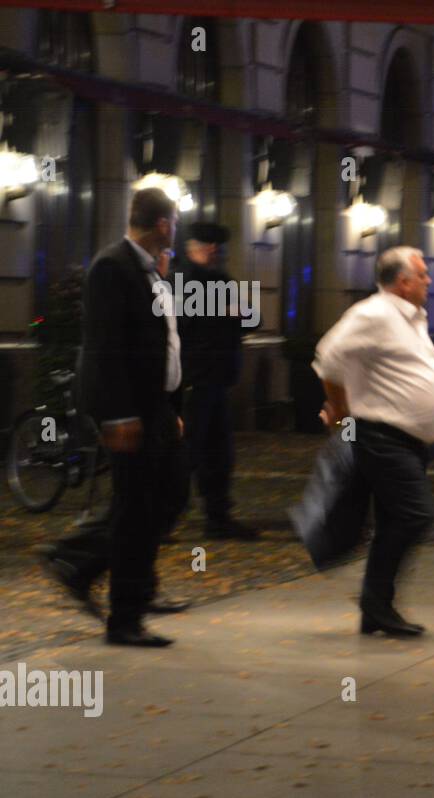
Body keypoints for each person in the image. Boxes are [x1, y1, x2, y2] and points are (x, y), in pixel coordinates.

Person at [39, 188, 191, 647]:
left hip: (155, 406)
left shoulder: (150, 272)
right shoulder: (113, 267)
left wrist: (170, 407)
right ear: (163, 224)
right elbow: (105, 347)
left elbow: (162, 342)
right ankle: (126, 616)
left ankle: (79, 563)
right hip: (129, 410)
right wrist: (121, 415)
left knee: (169, 495)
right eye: (175, 222)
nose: (176, 229)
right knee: (136, 508)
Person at [312, 246, 434, 637]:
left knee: (394, 518)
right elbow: (329, 356)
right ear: (403, 282)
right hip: (380, 435)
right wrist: (337, 406)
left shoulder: (411, 318)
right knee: (414, 515)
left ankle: (378, 609)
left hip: (406, 439)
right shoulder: (374, 313)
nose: (428, 281)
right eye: (422, 275)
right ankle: (375, 602)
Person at [175, 222, 260, 540]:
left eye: (218, 246)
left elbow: (253, 317)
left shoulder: (221, 279)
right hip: (194, 378)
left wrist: (235, 314)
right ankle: (165, 516)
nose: (216, 251)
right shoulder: (179, 279)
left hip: (219, 378)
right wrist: (225, 314)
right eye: (210, 245)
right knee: (187, 451)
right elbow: (182, 321)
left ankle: (218, 516)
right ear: (197, 247)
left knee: (218, 453)